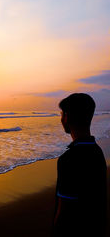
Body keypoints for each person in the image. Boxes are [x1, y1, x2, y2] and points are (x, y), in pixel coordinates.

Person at [52, 93, 107, 237]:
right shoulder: (97, 151)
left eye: (62, 114)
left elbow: (64, 211)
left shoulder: (69, 159)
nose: (61, 119)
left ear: (67, 117)